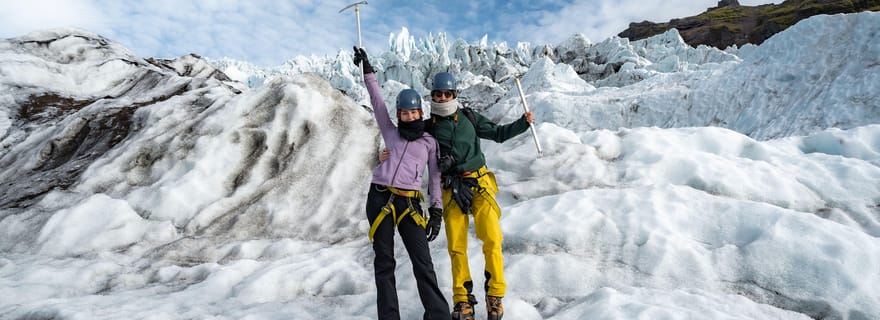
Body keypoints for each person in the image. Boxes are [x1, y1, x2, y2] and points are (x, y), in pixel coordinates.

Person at [427, 71, 534, 320]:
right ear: (432, 95)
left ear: (454, 95)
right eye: (438, 94)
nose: (442, 98)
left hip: (479, 183)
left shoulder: (469, 118)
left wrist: (523, 122)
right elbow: (408, 146)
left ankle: (494, 295)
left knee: (492, 239)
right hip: (450, 187)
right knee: (456, 246)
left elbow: (498, 134)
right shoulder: (428, 128)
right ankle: (462, 300)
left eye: (447, 93)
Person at [353, 47, 449, 320]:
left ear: (421, 112)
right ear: (399, 114)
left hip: (409, 202)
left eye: (413, 112)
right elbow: (377, 102)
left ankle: (438, 315)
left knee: (423, 263)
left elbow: (434, 177)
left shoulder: (429, 143)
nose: (408, 116)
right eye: (404, 113)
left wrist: (437, 210)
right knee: (384, 262)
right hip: (380, 197)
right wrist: (368, 70)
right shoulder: (390, 132)